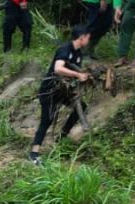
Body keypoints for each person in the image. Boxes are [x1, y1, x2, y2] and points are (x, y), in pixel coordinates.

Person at [28, 27, 93, 164]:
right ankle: (34, 153)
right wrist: (78, 75)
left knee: (81, 106)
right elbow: (58, 69)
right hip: (50, 90)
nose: (89, 40)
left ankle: (61, 137)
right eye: (88, 37)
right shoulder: (65, 49)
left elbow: (74, 74)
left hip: (63, 91)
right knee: (47, 120)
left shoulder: (78, 54)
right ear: (81, 37)